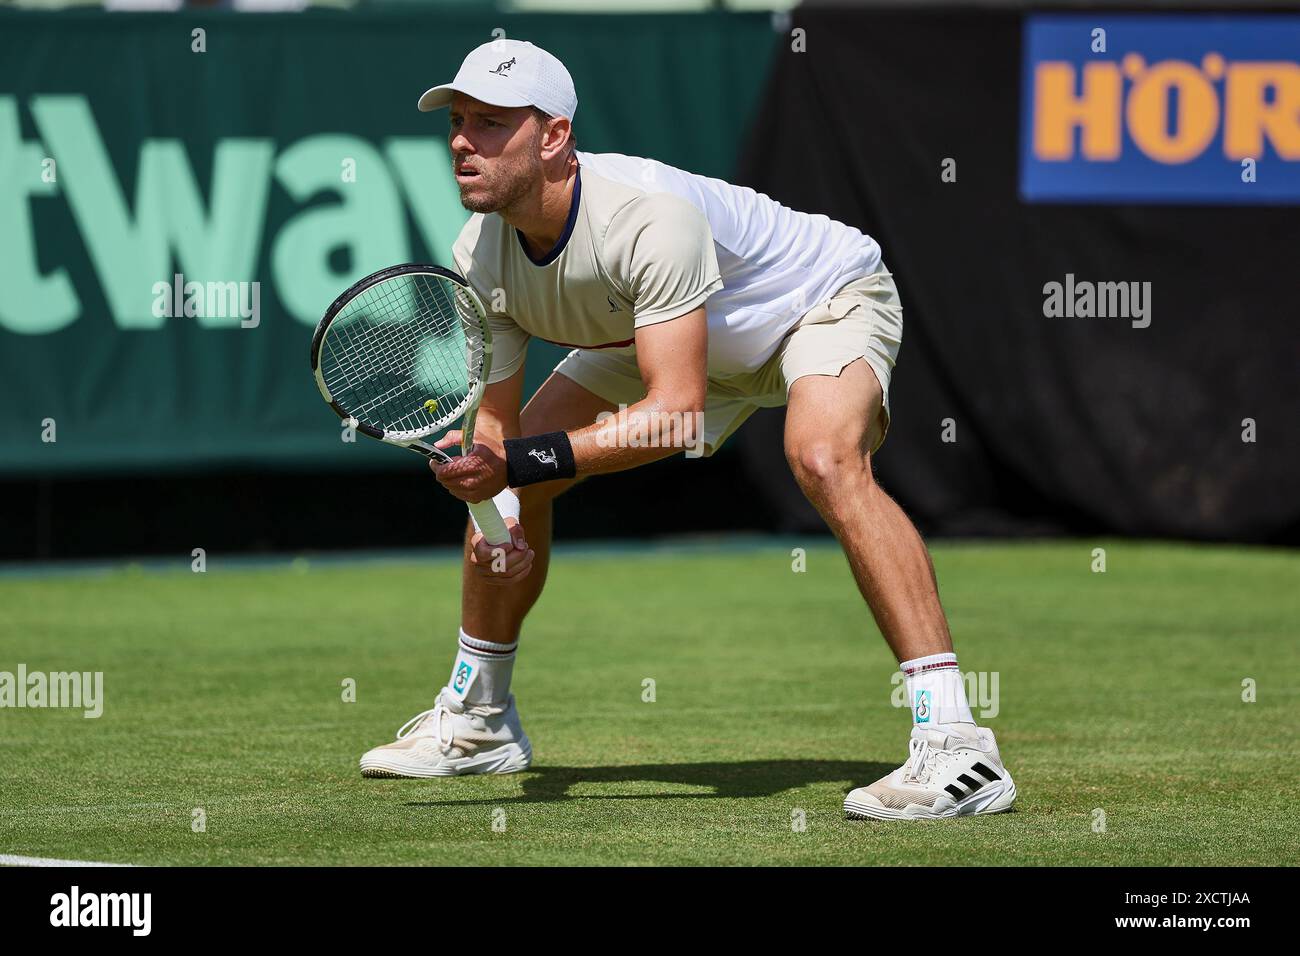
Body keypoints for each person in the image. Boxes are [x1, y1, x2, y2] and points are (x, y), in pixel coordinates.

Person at [358, 39, 1015, 820]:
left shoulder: (646, 218)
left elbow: (671, 419)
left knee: (822, 459)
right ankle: (478, 721)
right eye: (460, 122)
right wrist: (491, 486)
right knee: (515, 483)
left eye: (492, 122)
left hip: (818, 304)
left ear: (555, 136)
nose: (464, 140)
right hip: (660, 339)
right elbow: (500, 438)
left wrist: (519, 462)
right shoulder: (481, 255)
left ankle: (959, 748)